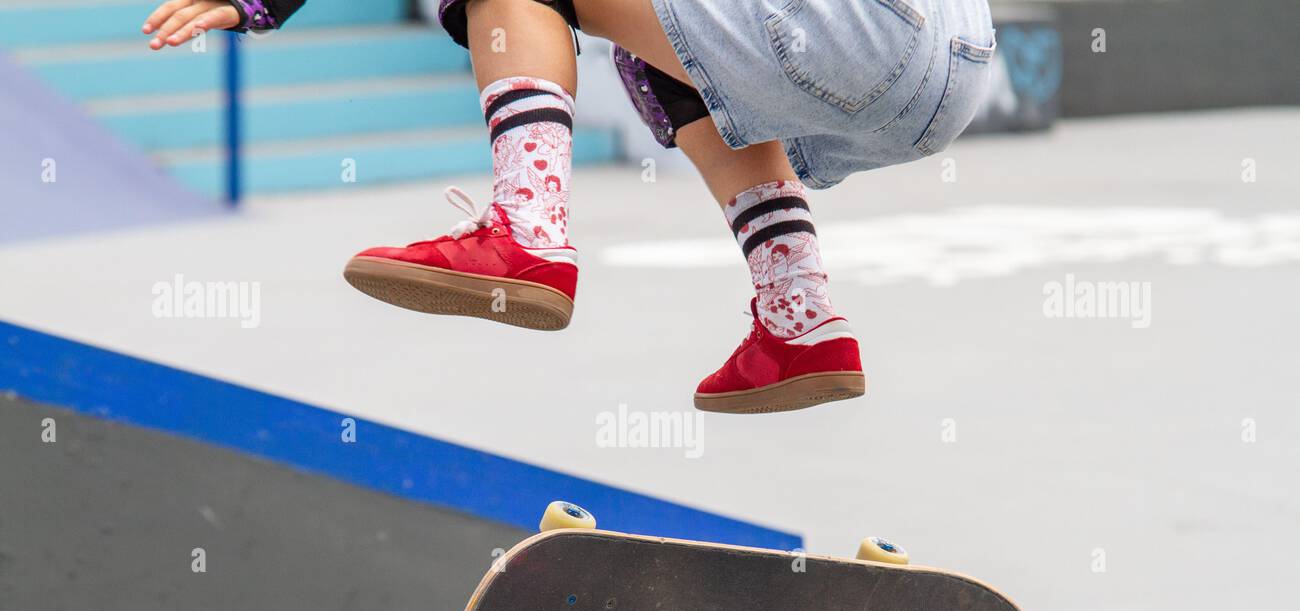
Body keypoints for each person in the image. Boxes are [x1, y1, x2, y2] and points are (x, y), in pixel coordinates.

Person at [142, 0, 996, 413]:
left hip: (852, 34)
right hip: (952, 61)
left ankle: (527, 230)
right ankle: (799, 311)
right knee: (660, 50)